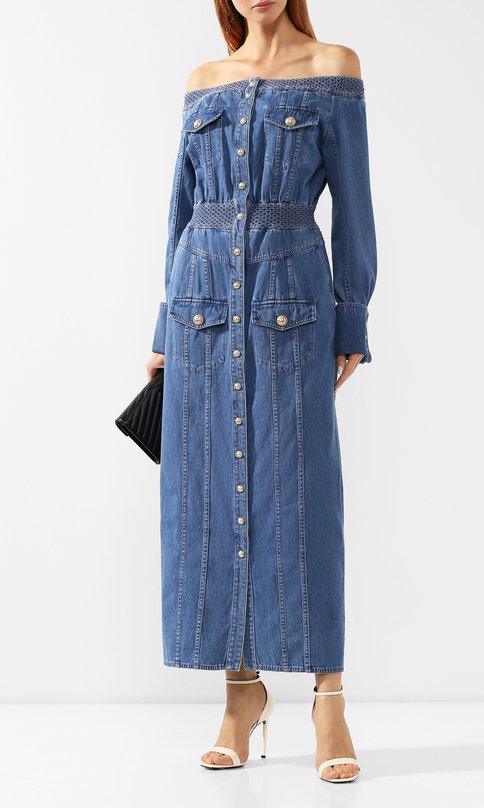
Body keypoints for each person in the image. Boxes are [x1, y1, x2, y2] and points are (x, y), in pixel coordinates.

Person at [145, 0, 377, 783]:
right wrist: (163, 328)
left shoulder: (333, 67)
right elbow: (182, 210)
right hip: (201, 307)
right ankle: (240, 696)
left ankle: (328, 699)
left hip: (292, 303)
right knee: (210, 495)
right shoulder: (203, 80)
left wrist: (352, 316)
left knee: (303, 495)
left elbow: (355, 205)